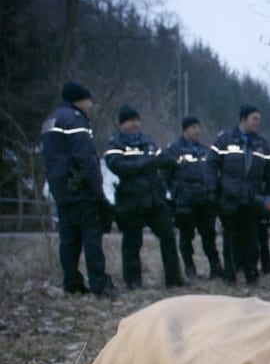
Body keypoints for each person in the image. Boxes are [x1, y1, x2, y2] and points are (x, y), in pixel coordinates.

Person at [40, 81, 118, 299]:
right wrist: (97, 191)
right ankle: (99, 285)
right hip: (80, 189)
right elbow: (85, 157)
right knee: (91, 238)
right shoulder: (75, 120)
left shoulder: (51, 120)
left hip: (61, 190)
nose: (90, 105)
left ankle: (72, 282)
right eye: (88, 100)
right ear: (79, 100)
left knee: (69, 240)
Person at [103, 105, 184, 290]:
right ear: (122, 123)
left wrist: (172, 163)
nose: (135, 124)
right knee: (132, 242)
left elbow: (161, 159)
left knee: (168, 236)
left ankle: (174, 279)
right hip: (131, 200)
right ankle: (133, 282)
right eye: (131, 121)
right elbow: (119, 166)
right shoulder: (114, 144)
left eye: (137, 120)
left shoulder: (148, 141)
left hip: (155, 198)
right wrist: (148, 162)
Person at [209, 104, 270, 285]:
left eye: (259, 119)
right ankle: (230, 274)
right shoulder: (224, 140)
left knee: (252, 239)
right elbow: (211, 166)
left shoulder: (262, 145)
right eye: (254, 118)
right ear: (243, 119)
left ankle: (251, 273)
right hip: (229, 197)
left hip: (252, 198)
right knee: (230, 238)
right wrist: (212, 191)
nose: (257, 122)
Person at [163, 116, 223, 280]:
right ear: (185, 130)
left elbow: (212, 172)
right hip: (185, 201)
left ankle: (215, 267)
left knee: (209, 235)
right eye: (193, 127)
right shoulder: (174, 150)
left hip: (205, 200)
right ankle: (190, 268)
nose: (197, 131)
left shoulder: (206, 150)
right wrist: (175, 192)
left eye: (198, 127)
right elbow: (166, 174)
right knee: (186, 236)